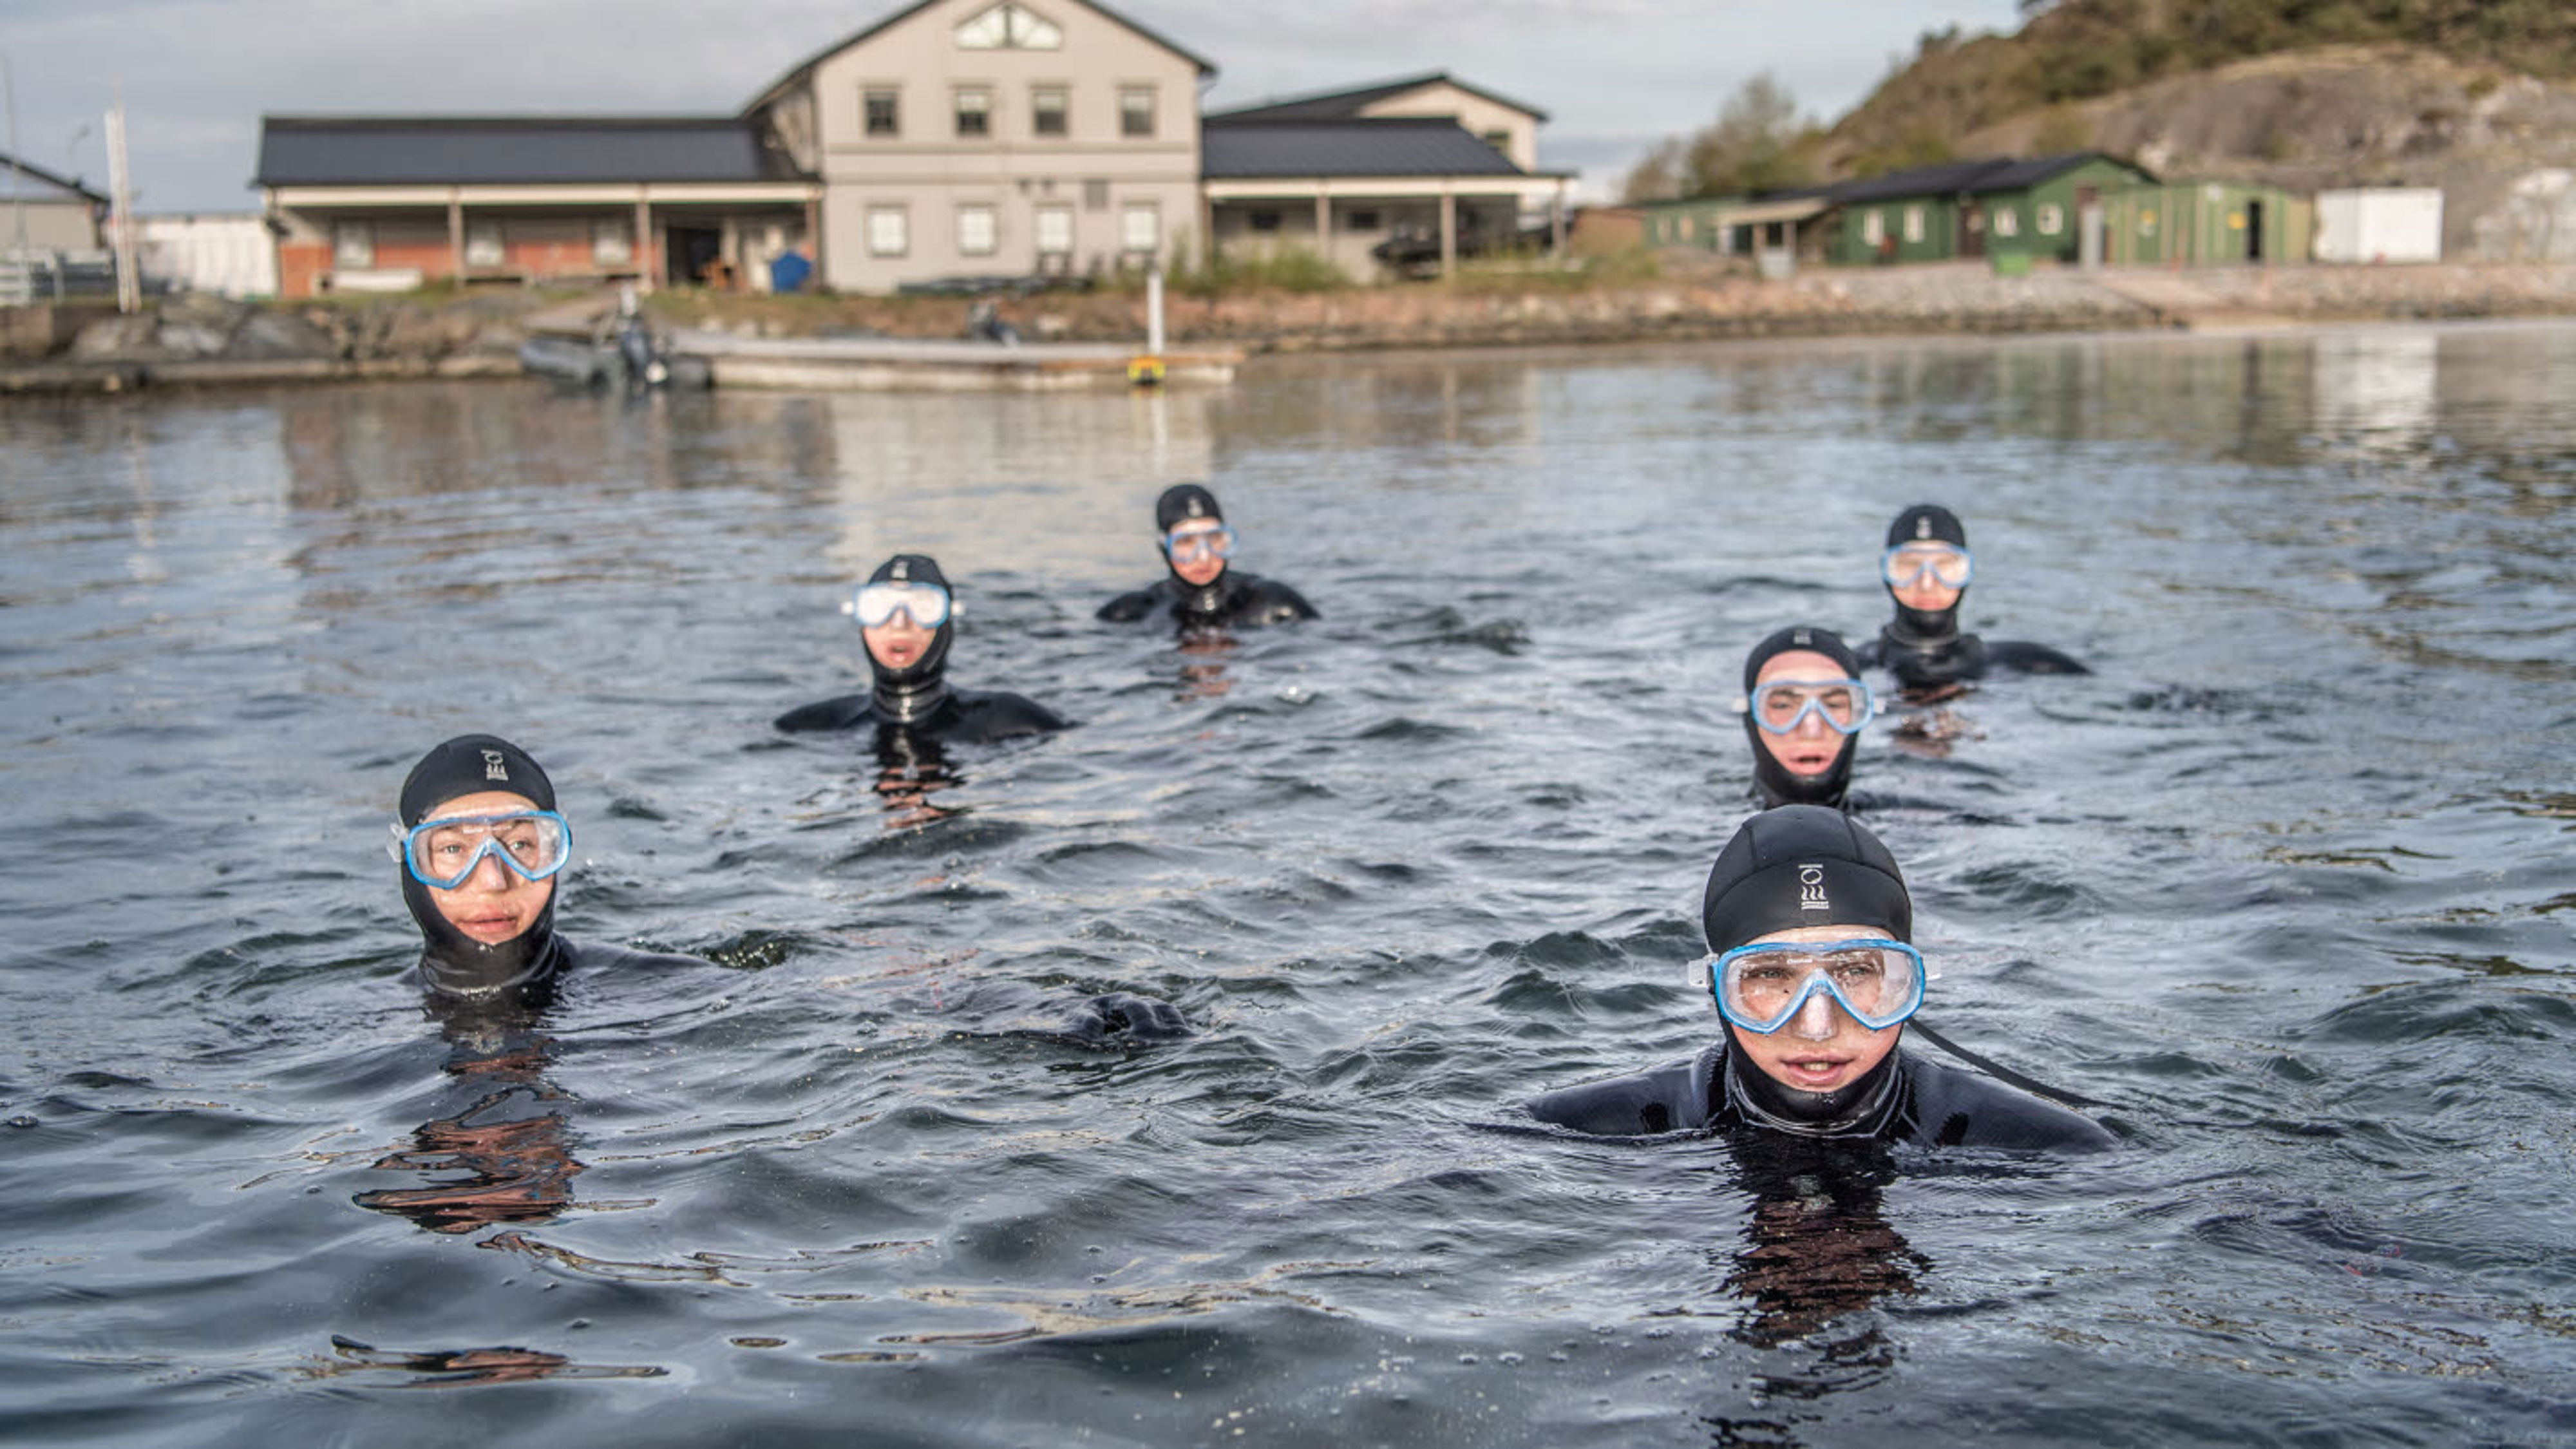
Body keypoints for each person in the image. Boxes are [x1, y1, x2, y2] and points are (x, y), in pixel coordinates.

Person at [1524, 805, 2113, 1150]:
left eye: (1856, 971)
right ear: (1716, 989)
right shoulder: (1589, 1133)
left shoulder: (2045, 1148)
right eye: (1773, 975)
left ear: (1902, 985)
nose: (1817, 1024)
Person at [391, 734, 708, 1001]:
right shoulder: (358, 1029)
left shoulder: (676, 991)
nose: (494, 881)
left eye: (520, 845)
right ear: (409, 861)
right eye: (453, 848)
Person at [775, 553, 1068, 744]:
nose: (899, 623)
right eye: (880, 607)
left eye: (923, 607)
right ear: (861, 621)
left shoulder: (1017, 721)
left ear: (948, 623)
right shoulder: (806, 728)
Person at [1853, 504, 2087, 690]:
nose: (1927, 583)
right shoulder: (1849, 670)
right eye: (1908, 566)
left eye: (1945, 567)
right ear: (1885, 573)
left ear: (1966, 573)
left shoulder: (2034, 663)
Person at [1097, 484, 1318, 630]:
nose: (1203, 556)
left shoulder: (1275, 602)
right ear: (1164, 548)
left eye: (1213, 539)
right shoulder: (1133, 613)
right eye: (1186, 542)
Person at [1739, 625, 1875, 811]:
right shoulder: (1703, 828)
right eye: (1783, 705)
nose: (1812, 730)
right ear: (1751, 718)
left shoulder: (1913, 818)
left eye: (1834, 704)